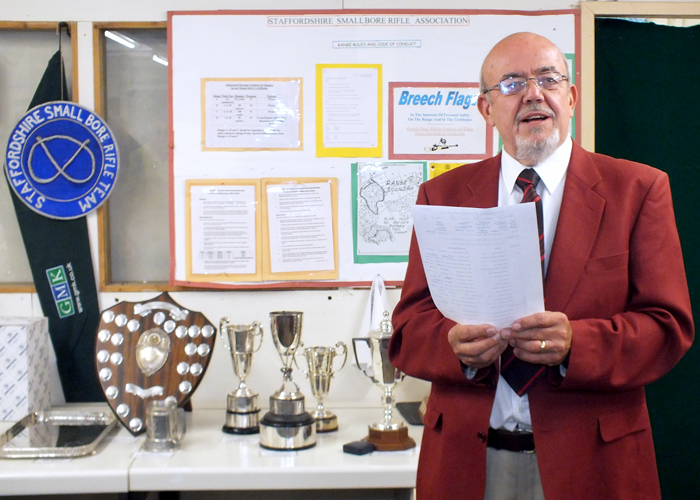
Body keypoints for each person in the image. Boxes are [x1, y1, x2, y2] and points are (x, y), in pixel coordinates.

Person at [389, 32, 694, 500]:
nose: (533, 93)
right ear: (485, 110)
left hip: (594, 466)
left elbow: (667, 328)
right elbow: (408, 329)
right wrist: (452, 346)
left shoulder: (638, 189)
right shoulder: (443, 196)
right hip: (467, 464)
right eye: (511, 84)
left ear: (570, 98)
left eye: (548, 79)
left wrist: (577, 344)